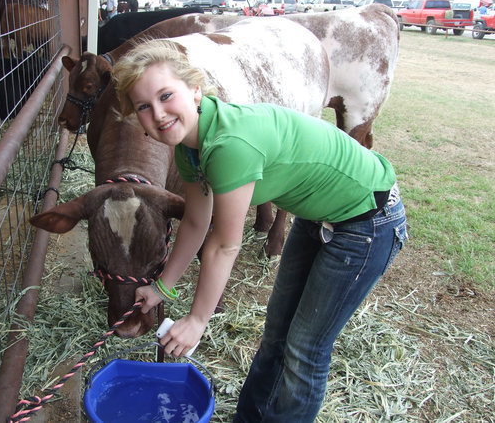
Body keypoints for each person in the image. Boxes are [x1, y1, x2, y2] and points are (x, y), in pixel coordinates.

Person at [112, 39, 408, 422]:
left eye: (166, 95)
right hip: (319, 216)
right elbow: (198, 222)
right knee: (276, 336)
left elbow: (223, 244)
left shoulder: (229, 144)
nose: (159, 113)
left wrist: (197, 320)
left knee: (305, 350)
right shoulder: (190, 146)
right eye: (143, 106)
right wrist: (162, 287)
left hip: (368, 219)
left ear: (195, 90)